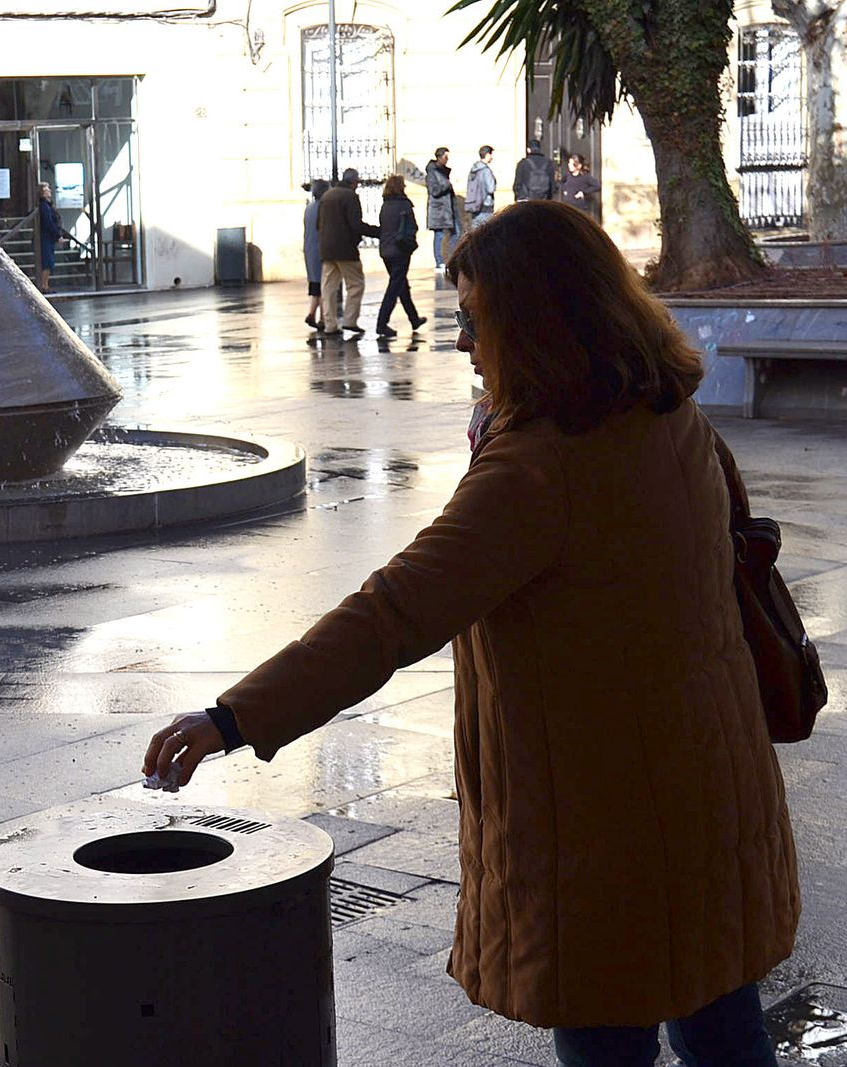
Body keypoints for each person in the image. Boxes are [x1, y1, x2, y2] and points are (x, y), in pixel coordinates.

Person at [144, 200, 798, 1067]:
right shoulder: (668, 414)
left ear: (538, 326)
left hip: (607, 834)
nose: (461, 344)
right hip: (707, 789)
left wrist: (231, 717)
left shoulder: (536, 470)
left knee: (610, 1034)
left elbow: (392, 613)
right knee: (723, 1025)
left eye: (476, 322)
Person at [315, 167, 380, 339]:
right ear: (354, 182)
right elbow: (356, 224)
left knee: (328, 287)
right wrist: (379, 232)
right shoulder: (350, 196)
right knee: (356, 284)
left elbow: (318, 224)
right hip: (345, 250)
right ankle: (350, 321)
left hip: (327, 250)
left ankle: (330, 324)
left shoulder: (327, 196)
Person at [375, 174, 428, 338]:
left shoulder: (385, 205)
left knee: (401, 285)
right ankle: (381, 324)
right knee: (394, 287)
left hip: (386, 251)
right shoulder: (404, 205)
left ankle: (414, 318)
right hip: (400, 250)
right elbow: (412, 227)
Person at [302, 178, 331, 330]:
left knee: (316, 285)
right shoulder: (323, 207)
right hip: (320, 250)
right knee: (325, 285)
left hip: (309, 249)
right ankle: (323, 319)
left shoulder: (309, 207)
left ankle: (312, 314)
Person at [424, 147, 457, 270]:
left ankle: (451, 259)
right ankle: (439, 262)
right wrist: (447, 184)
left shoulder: (444, 171)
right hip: (439, 210)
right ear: (439, 157)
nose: (447, 160)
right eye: (445, 157)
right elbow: (434, 191)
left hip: (449, 209)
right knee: (439, 236)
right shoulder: (432, 172)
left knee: (456, 233)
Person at [561, 153, 602, 222]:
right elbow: (561, 182)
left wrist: (584, 192)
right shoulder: (568, 175)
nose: (569, 165)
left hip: (578, 208)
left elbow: (597, 186)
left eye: (572, 163)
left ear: (579, 166)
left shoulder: (585, 177)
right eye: (569, 163)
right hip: (567, 206)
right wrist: (564, 189)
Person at [37, 182, 61, 292]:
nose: (49, 191)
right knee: (47, 261)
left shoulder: (47, 205)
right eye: (47, 190)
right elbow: (48, 222)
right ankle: (44, 285)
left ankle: (45, 284)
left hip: (48, 236)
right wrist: (57, 235)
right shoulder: (44, 206)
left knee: (49, 261)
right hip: (46, 236)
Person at [464, 145, 496, 229]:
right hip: (486, 205)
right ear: (488, 155)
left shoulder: (474, 169)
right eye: (491, 155)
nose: (492, 158)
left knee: (475, 233)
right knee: (486, 233)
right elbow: (491, 188)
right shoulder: (485, 170)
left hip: (474, 205)